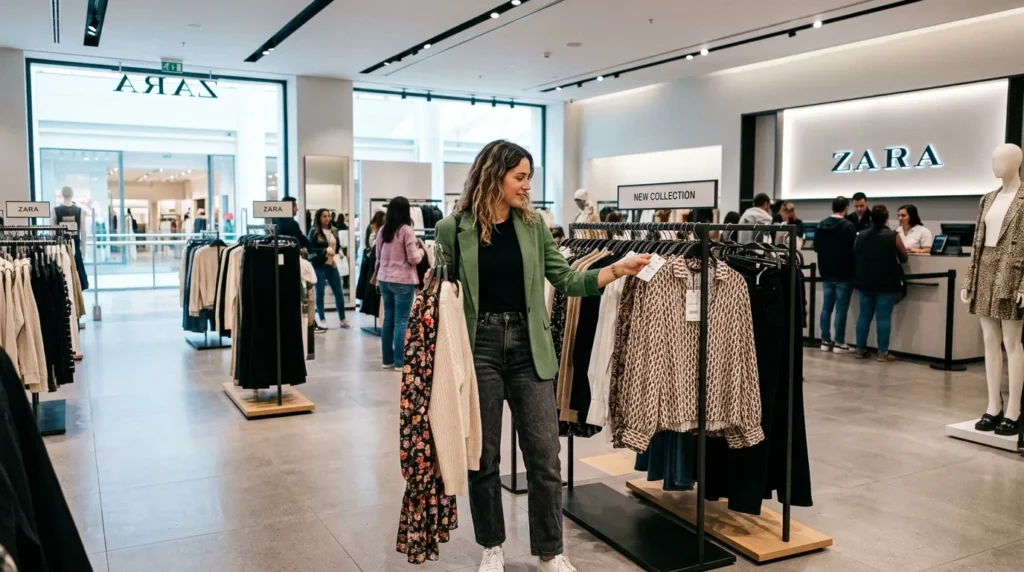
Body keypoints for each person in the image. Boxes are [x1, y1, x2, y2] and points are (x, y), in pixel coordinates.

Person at [435, 140, 650, 572]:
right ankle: (491, 546)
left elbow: (567, 279)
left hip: (529, 347)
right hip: (479, 349)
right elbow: (443, 296)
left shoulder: (533, 226)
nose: (526, 186)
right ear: (494, 175)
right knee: (485, 455)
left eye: (529, 177)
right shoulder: (452, 228)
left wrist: (613, 271)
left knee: (545, 457)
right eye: (520, 177)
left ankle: (550, 551)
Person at [374, 196, 424, 370]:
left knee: (388, 319)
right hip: (402, 281)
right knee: (402, 321)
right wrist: (422, 252)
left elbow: (377, 257)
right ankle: (399, 362)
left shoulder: (382, 230)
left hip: (384, 279)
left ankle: (386, 360)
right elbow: (413, 258)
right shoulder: (406, 230)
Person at [853, 205, 908, 362]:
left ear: (871, 218)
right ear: (886, 218)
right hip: (887, 282)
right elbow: (904, 256)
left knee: (864, 316)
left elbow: (855, 252)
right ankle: (883, 353)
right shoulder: (893, 235)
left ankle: (860, 349)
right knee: (883, 318)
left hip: (865, 281)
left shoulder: (861, 235)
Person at [815, 197, 857, 352]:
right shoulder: (848, 226)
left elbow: (816, 247)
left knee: (826, 307)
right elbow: (853, 248)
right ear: (846, 208)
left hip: (826, 271)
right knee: (841, 309)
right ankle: (839, 342)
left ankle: (825, 341)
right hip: (844, 272)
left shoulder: (821, 225)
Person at [307, 208, 351, 332]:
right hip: (320, 265)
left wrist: (340, 252)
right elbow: (311, 249)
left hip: (332, 265)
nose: (327, 218)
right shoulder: (313, 231)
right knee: (320, 292)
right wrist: (324, 250)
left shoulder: (334, 231)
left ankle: (342, 319)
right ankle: (322, 319)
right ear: (319, 218)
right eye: (324, 216)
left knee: (339, 292)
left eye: (328, 216)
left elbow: (338, 246)